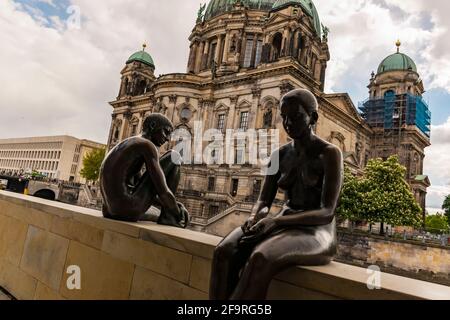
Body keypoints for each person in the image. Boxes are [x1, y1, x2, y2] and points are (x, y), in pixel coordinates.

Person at [209, 89, 343, 300]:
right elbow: (264, 200)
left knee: (261, 257)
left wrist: (276, 222)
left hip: (317, 231)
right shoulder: (278, 155)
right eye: (284, 117)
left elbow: (327, 212)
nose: (288, 123)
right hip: (284, 223)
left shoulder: (330, 153)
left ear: (313, 117)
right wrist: (256, 217)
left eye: (296, 117)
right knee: (223, 251)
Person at [100, 113, 189, 228]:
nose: (167, 139)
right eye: (166, 132)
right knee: (174, 155)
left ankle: (167, 214)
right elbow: (162, 190)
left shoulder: (132, 143)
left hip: (109, 210)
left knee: (155, 213)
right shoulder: (147, 146)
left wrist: (174, 205)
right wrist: (177, 212)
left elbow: (141, 190)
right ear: (152, 126)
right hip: (127, 207)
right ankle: (169, 217)